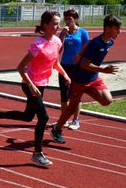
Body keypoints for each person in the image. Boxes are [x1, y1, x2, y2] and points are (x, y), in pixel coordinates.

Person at [0, 11, 70, 167]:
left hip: (41, 84)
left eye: (58, 23)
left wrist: (65, 75)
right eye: (54, 24)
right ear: (45, 25)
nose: (58, 26)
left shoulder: (57, 41)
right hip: (29, 83)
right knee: (43, 117)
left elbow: (55, 62)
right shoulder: (37, 45)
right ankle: (37, 153)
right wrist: (31, 85)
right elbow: (21, 67)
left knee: (28, 116)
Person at [51, 14, 122, 144]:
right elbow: (84, 64)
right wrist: (103, 70)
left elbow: (87, 44)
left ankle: (84, 91)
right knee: (71, 107)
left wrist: (80, 53)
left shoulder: (110, 41)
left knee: (107, 100)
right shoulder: (96, 43)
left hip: (93, 78)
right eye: (117, 28)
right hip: (80, 78)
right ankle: (57, 129)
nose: (119, 31)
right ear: (107, 28)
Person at [55, 9, 89, 130]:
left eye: (69, 18)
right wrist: (63, 35)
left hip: (77, 67)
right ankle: (64, 119)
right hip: (65, 66)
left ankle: (76, 120)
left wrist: (83, 63)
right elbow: (58, 51)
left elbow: (87, 50)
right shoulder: (63, 33)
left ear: (75, 19)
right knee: (64, 94)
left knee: (76, 94)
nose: (67, 21)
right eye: (66, 18)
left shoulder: (83, 33)